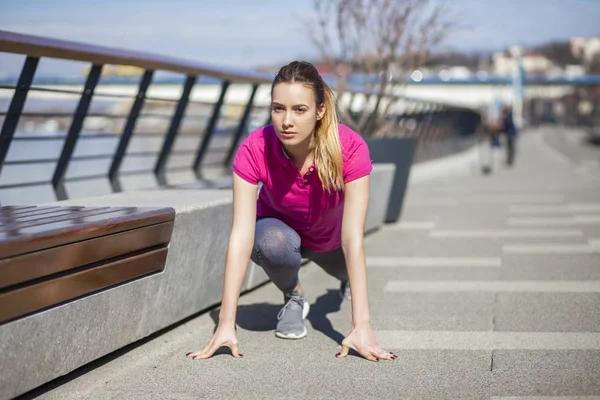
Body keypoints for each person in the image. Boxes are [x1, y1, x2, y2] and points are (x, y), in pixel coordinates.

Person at [186, 61, 396, 363]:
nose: (286, 121)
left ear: (320, 111)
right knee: (271, 241)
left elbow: (353, 240)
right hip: (281, 236)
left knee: (344, 268)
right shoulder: (254, 148)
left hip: (332, 243)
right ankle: (294, 296)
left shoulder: (349, 147)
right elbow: (241, 236)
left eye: (299, 110)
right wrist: (225, 324)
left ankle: (344, 280)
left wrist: (361, 326)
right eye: (278, 108)